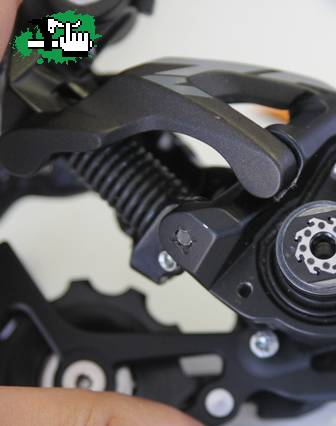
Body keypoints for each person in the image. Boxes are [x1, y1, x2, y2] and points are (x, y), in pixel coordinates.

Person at [0, 2, 201, 425]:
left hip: (35, 59)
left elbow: (47, 43)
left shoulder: (43, 42)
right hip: (36, 64)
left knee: (38, 44)